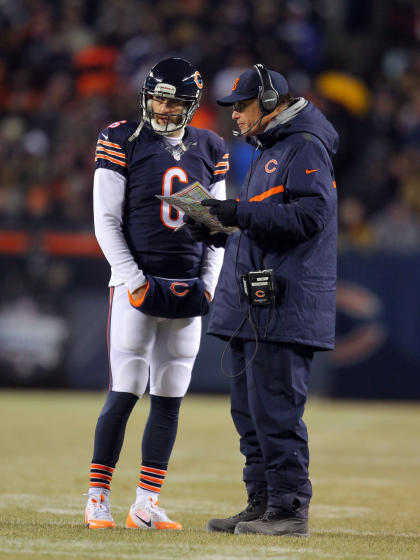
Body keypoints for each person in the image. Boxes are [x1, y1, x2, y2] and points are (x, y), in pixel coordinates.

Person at [185, 63, 338, 536]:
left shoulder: (304, 146)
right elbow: (262, 223)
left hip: (285, 302)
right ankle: (263, 503)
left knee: (275, 410)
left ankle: (289, 510)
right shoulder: (271, 148)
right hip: (255, 302)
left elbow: (310, 216)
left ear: (270, 102)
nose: (235, 116)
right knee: (249, 414)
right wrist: (215, 226)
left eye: (243, 106)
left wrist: (240, 212)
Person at [84, 57, 228, 530]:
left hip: (187, 284)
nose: (165, 108)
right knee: (125, 390)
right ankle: (97, 499)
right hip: (137, 283)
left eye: (175, 100)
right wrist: (131, 278)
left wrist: (208, 284)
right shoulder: (122, 138)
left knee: (170, 395)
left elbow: (215, 226)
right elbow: (105, 220)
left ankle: (146, 502)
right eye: (159, 97)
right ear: (147, 95)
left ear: (192, 105)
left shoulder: (210, 145)